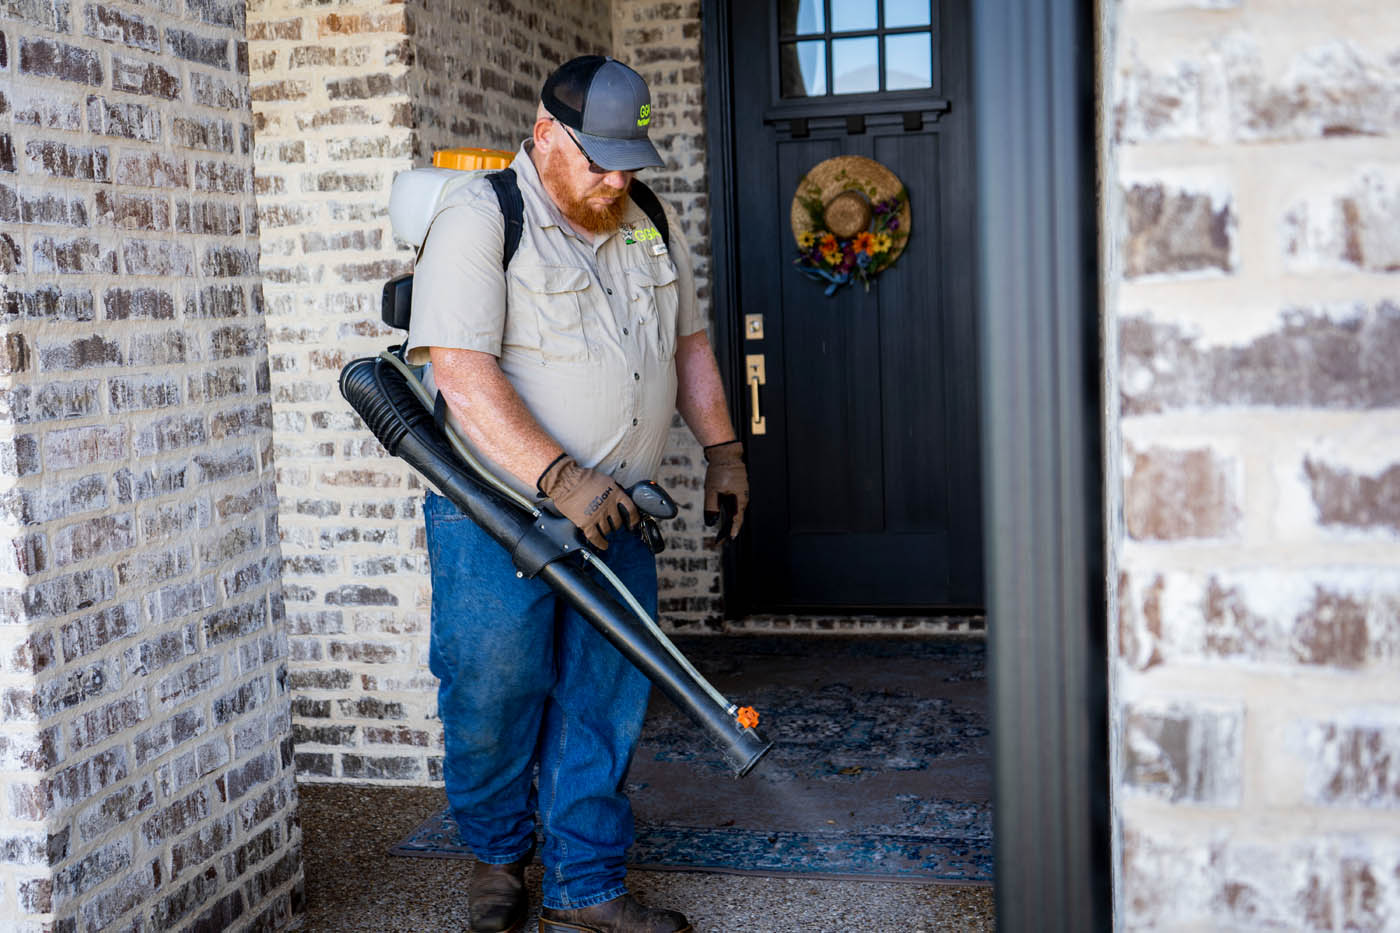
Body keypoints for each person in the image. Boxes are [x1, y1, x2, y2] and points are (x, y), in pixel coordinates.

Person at [403, 56, 750, 933]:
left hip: (617, 510)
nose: (617, 177)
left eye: (628, 158)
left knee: (605, 694)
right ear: (546, 135)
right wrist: (557, 476)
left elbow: (691, 344)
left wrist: (723, 451)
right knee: (494, 688)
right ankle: (495, 859)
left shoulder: (646, 219)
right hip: (495, 511)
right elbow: (461, 372)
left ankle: (586, 882)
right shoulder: (481, 217)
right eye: (598, 158)